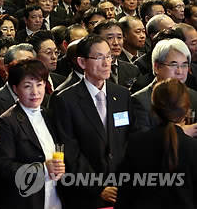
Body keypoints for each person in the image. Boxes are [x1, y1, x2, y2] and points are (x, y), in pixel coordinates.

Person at [50, 34, 134, 208]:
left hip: (122, 189)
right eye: (99, 57)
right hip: (85, 194)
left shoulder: (122, 94)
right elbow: (69, 151)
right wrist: (98, 187)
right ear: (82, 62)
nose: (106, 63)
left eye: (109, 56)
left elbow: (129, 139)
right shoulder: (65, 99)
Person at [0, 59, 65, 209]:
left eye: (39, 85)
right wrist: (43, 169)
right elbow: (4, 167)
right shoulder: (7, 122)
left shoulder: (49, 115)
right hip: (27, 200)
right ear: (15, 89)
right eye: (27, 86)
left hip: (56, 196)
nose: (35, 92)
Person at [117, 78, 197, 208]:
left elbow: (124, 196)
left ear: (153, 109)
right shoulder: (193, 148)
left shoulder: (136, 144)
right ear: (186, 110)